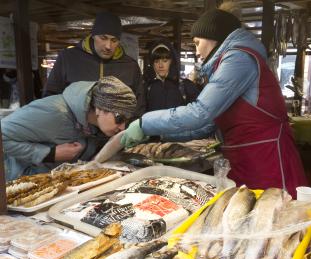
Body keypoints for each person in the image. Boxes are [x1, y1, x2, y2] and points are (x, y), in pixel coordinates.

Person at [119, 4, 307, 198]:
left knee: (271, 218)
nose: (197, 51)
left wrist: (145, 123)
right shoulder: (228, 61)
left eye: (197, 42)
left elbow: (200, 113)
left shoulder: (238, 59)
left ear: (213, 38)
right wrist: (162, 135)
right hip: (245, 157)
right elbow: (209, 124)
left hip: (266, 159)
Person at [2, 76, 136, 181]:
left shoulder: (94, 125)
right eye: (119, 118)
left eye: (127, 120)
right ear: (100, 108)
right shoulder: (53, 112)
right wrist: (48, 153)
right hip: (18, 187)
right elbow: (3, 135)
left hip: (54, 185)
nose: (122, 126)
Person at [42, 11, 146, 116]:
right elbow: (50, 99)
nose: (108, 46)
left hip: (118, 131)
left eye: (114, 40)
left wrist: (128, 130)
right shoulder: (68, 59)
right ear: (93, 35)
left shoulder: (130, 66)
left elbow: (138, 106)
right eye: (103, 38)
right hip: (74, 130)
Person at [144, 40, 200, 112]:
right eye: (156, 61)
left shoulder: (185, 86)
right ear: (152, 64)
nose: (160, 65)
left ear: (171, 62)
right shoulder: (146, 88)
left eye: (165, 61)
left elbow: (198, 112)